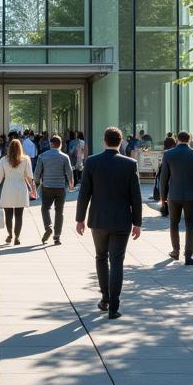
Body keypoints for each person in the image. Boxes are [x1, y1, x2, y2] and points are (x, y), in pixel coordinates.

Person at [75, 127, 143, 319]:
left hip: (98, 219)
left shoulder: (92, 162)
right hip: (122, 220)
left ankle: (105, 298)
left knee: (100, 257)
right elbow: (135, 196)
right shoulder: (130, 164)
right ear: (120, 142)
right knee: (117, 261)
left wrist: (80, 218)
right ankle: (114, 306)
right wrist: (137, 222)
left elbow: (84, 193)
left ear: (104, 141)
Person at [160, 130, 193, 266]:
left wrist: (163, 197)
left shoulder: (168, 154)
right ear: (189, 139)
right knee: (190, 225)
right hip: (192, 196)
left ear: (177, 139)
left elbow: (164, 178)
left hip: (174, 195)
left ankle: (175, 251)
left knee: (174, 223)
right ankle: (188, 256)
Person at [0, 136, 35, 245]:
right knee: (19, 215)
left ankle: (10, 235)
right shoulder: (26, 160)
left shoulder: (3, 160)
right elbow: (29, 176)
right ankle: (17, 237)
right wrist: (33, 189)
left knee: (8, 215)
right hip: (21, 189)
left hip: (8, 189)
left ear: (9, 148)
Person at [34, 134, 74, 245]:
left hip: (47, 186)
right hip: (60, 188)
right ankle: (57, 237)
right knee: (59, 211)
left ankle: (48, 227)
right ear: (60, 145)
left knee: (45, 208)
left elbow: (37, 173)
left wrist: (35, 184)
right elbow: (69, 173)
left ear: (51, 144)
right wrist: (71, 185)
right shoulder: (64, 157)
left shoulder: (42, 156)